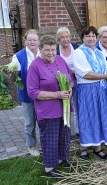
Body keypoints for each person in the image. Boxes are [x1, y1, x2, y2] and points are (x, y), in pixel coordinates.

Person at [27, 35, 73, 178]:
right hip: (47, 110)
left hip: (64, 108)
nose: (51, 53)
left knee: (64, 136)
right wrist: (57, 95)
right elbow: (32, 92)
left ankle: (62, 159)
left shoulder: (60, 59)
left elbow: (70, 78)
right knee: (50, 139)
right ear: (40, 49)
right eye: (47, 50)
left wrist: (70, 89)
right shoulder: (35, 66)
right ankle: (49, 168)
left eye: (53, 49)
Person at [73, 26, 107, 160]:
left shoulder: (98, 52)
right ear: (83, 38)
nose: (91, 38)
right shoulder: (79, 52)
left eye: (93, 36)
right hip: (87, 90)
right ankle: (84, 148)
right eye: (88, 36)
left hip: (100, 89)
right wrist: (105, 77)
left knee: (99, 116)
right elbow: (85, 74)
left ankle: (98, 147)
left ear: (96, 37)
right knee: (87, 117)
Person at [11, 29, 40, 157]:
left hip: (43, 94)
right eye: (30, 40)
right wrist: (11, 74)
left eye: (35, 40)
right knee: (30, 123)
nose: (32, 42)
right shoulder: (18, 56)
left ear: (39, 41)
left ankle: (45, 143)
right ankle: (32, 145)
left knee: (44, 121)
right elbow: (14, 78)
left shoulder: (43, 53)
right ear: (25, 42)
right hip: (27, 95)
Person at [56, 27, 79, 135]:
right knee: (65, 106)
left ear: (70, 37)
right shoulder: (56, 50)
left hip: (78, 81)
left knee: (78, 106)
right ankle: (66, 131)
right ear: (58, 39)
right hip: (63, 83)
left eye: (67, 36)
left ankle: (79, 131)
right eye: (62, 37)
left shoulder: (76, 48)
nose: (65, 39)